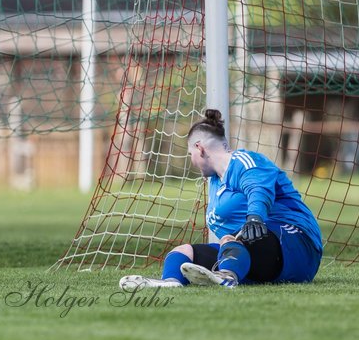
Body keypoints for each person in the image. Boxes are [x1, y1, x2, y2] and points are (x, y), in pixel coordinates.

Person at [120, 108, 324, 290]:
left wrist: (254, 217)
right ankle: (171, 282)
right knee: (184, 252)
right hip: (252, 253)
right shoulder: (216, 183)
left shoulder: (245, 162)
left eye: (191, 153)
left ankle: (227, 276)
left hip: (297, 246)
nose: (192, 161)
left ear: (200, 148)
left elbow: (258, 189)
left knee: (230, 238)